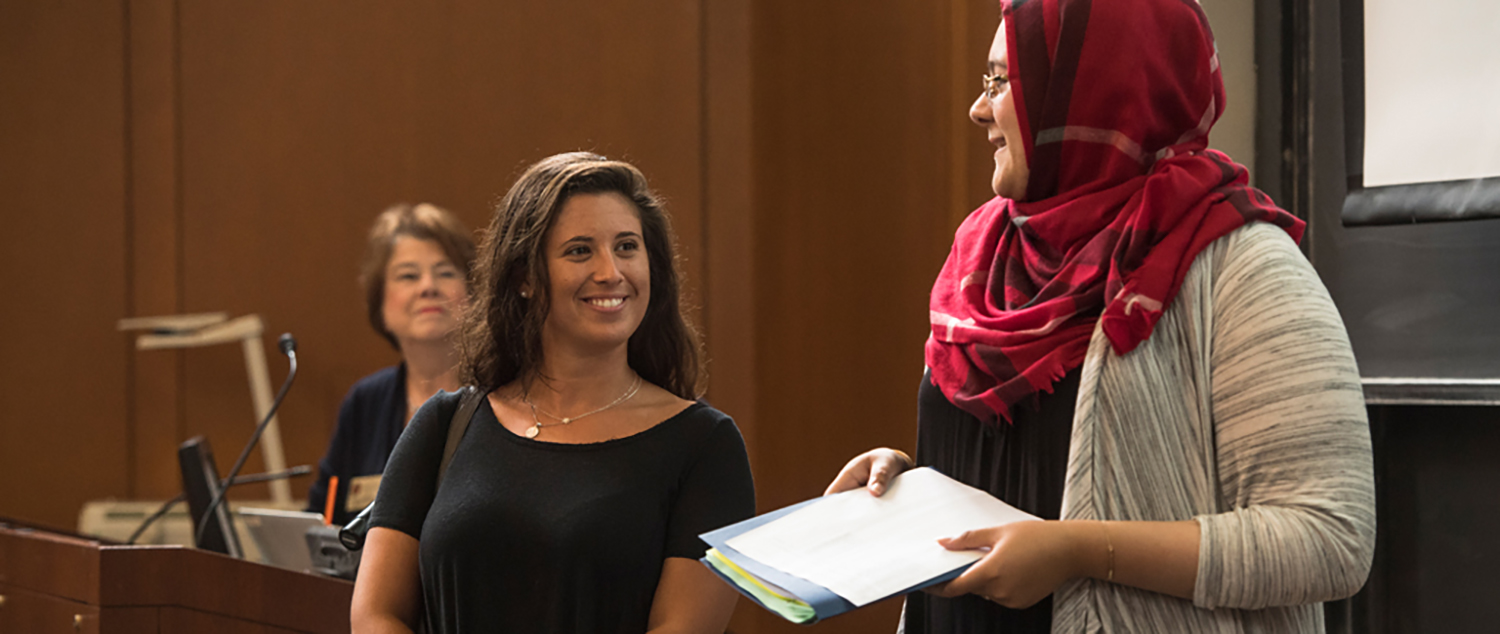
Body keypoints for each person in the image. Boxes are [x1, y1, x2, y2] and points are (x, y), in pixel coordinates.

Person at [824, 1, 1375, 632]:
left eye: (1003, 83)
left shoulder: (1239, 267)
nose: (980, 109)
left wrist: (1080, 550)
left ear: (1091, 94)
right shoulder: (985, 257)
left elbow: (1330, 537)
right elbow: (1028, 469)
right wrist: (913, 491)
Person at [351, 152, 756, 634]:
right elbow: (377, 614)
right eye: (580, 251)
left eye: (627, 246)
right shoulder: (445, 425)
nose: (611, 272)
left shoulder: (705, 447)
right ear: (524, 277)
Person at [307, 203, 475, 526]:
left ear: (473, 291)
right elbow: (321, 521)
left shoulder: (503, 395)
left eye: (445, 272)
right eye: (408, 276)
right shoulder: (365, 402)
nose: (428, 286)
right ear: (380, 300)